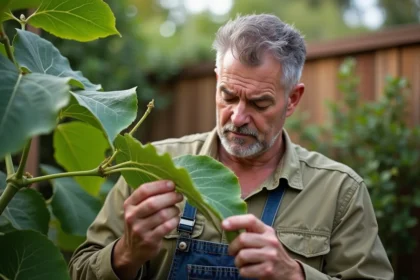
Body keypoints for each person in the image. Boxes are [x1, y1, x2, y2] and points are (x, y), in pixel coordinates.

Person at [69, 14, 394, 280]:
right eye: (228, 95)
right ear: (216, 80)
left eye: (259, 102)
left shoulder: (339, 191)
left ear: (292, 99)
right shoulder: (152, 164)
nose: (238, 117)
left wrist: (293, 275)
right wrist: (126, 253)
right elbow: (79, 270)